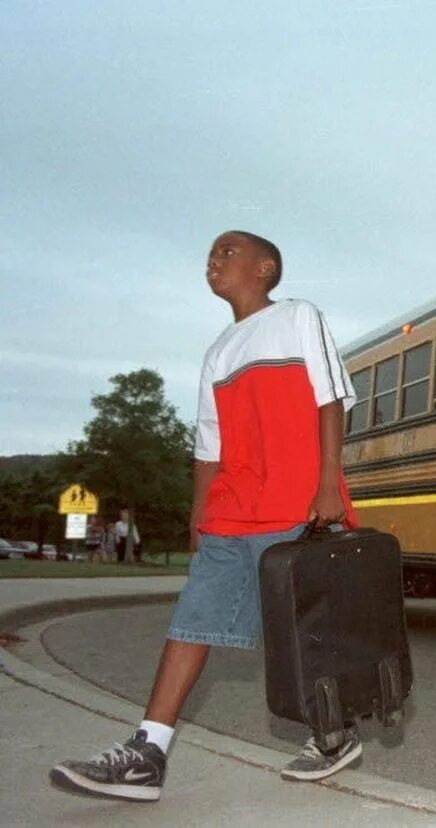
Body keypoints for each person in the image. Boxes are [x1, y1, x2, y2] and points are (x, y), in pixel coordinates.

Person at [52, 230, 357, 801]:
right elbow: (207, 447)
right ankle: (148, 753)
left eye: (228, 251)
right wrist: (199, 513)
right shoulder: (217, 353)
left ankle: (334, 733)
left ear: (266, 268)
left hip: (296, 504)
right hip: (231, 511)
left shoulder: (297, 317)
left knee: (301, 632)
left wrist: (326, 484)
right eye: (210, 254)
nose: (214, 260)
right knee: (193, 620)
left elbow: (330, 399)